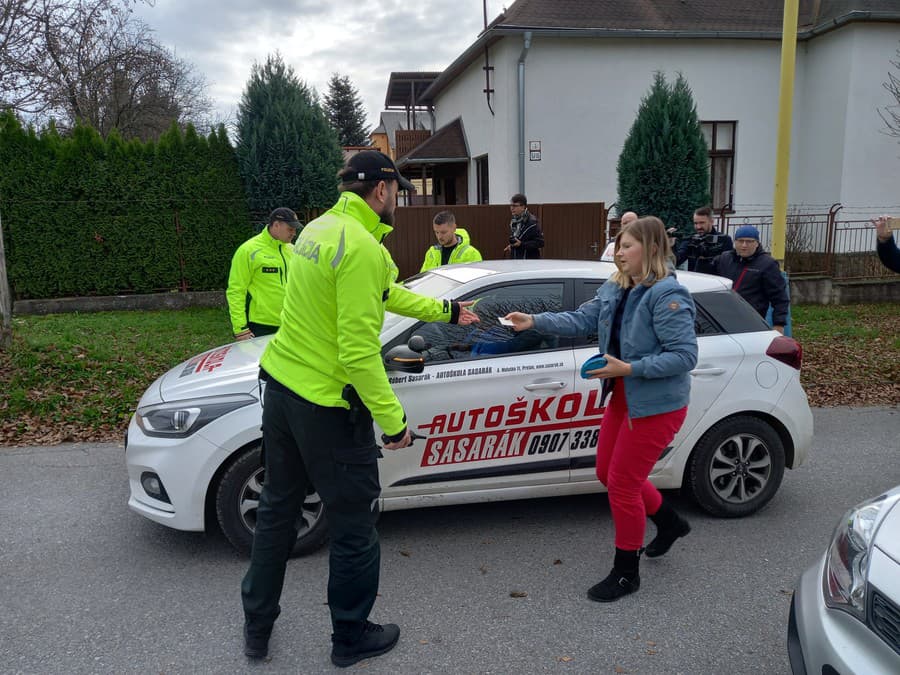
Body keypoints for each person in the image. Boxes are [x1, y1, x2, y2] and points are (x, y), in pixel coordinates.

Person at [240, 150, 479, 667]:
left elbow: (384, 292)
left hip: (281, 389)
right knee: (353, 525)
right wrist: (393, 423)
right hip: (327, 406)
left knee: (278, 511)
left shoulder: (318, 230)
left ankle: (257, 625)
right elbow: (356, 351)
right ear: (381, 191)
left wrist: (445, 309)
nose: (398, 201)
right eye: (397, 191)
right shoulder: (363, 248)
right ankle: (350, 638)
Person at [504, 216, 697, 603]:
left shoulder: (668, 295)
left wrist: (630, 368)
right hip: (624, 395)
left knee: (623, 483)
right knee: (607, 472)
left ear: (653, 249)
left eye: (627, 246)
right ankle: (670, 522)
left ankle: (627, 573)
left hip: (657, 405)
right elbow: (582, 318)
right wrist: (534, 322)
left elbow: (684, 355)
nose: (619, 253)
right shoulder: (616, 286)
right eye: (619, 245)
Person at [226, 207, 301, 340]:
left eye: (295, 229)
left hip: (291, 323)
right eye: (290, 229)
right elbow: (236, 291)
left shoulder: (292, 250)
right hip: (261, 326)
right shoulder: (248, 251)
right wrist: (240, 328)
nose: (294, 233)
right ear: (276, 225)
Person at [714, 225, 789, 334]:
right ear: (735, 242)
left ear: (757, 243)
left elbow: (779, 298)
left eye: (749, 241)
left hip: (751, 322)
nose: (744, 245)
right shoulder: (724, 259)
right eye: (740, 241)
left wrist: (779, 324)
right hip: (721, 319)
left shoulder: (767, 264)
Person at [675, 206, 733, 274]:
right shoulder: (691, 240)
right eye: (696, 223)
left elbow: (728, 266)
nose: (698, 227)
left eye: (702, 223)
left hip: (717, 281)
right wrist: (671, 246)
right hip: (695, 281)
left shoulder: (724, 240)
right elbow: (676, 261)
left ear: (711, 221)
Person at [504, 193, 544, 259]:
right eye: (511, 205)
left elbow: (540, 243)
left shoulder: (532, 222)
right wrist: (512, 246)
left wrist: (521, 244)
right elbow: (518, 240)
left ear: (523, 207)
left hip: (528, 264)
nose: (512, 208)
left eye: (515, 206)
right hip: (516, 262)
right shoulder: (514, 221)